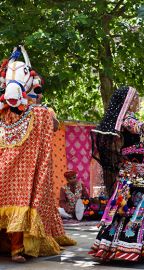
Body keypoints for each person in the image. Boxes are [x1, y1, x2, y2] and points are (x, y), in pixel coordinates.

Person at [0, 46, 75, 263]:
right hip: (4, 167)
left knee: (21, 200)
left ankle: (17, 248)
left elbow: (52, 125)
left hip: (24, 172)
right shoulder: (3, 113)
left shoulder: (40, 114)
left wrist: (41, 108)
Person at [89, 87, 144, 262]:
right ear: (128, 100)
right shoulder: (127, 119)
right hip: (134, 173)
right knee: (130, 207)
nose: (138, 101)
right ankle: (125, 246)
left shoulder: (132, 118)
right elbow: (139, 130)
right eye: (136, 97)